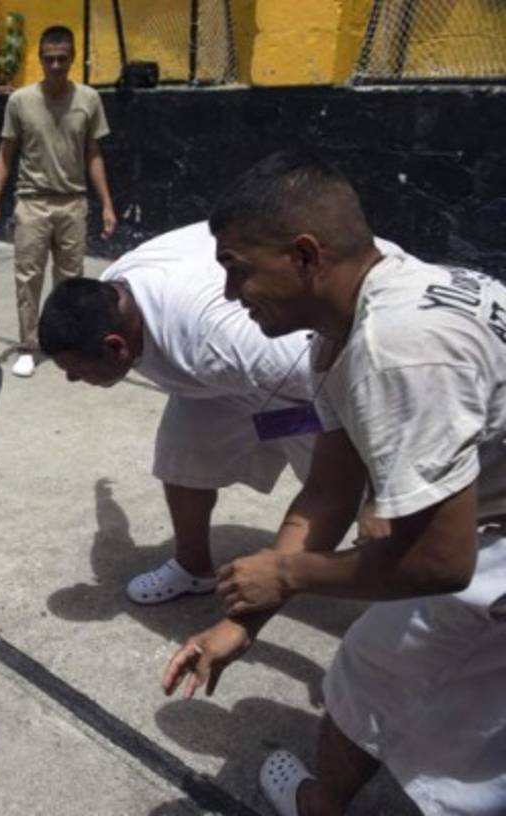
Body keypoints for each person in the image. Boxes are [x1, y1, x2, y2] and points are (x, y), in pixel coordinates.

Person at [162, 152, 506, 816]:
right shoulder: (357, 317)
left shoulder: (395, 347)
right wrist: (243, 622)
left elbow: (441, 562)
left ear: (305, 256)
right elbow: (328, 490)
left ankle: (320, 804)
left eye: (237, 268)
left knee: (369, 670)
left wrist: (290, 574)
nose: (229, 293)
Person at [39, 222, 392, 605]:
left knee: (352, 496)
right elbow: (111, 528)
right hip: (219, 382)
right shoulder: (109, 293)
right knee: (181, 454)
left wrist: (382, 496)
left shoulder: (226, 343)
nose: (72, 379)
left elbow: (362, 380)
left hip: (328, 362)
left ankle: (410, 587)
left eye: (76, 369)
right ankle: (193, 569)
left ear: (115, 347)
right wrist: (104, 496)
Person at [0, 25, 117, 379]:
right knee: (28, 278)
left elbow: (93, 154)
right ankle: (29, 347)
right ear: (40, 59)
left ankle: (65, 345)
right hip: (32, 203)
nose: (55, 65)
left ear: (72, 58)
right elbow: (5, 154)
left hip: (73, 202)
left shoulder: (89, 99)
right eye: (48, 59)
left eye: (62, 58)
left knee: (71, 281)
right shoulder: (20, 101)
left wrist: (106, 204)